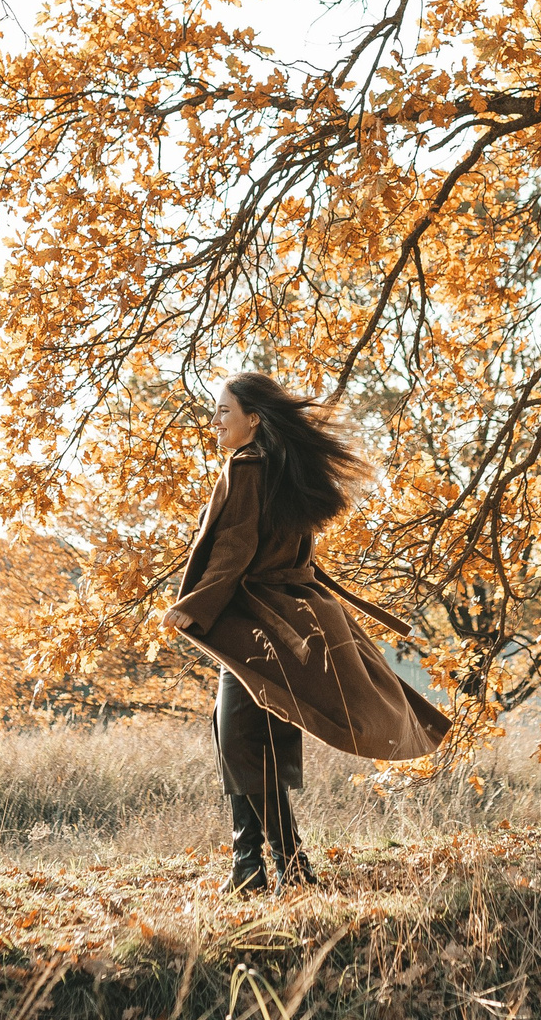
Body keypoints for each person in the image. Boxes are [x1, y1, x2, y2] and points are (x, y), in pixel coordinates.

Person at [164, 372, 451, 893]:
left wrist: (195, 605)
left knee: (239, 742)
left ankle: (286, 866)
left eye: (225, 410)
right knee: (255, 740)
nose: (216, 421)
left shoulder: (247, 467)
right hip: (291, 617)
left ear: (254, 418)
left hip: (259, 621)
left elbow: (235, 547)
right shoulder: (280, 470)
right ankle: (248, 867)